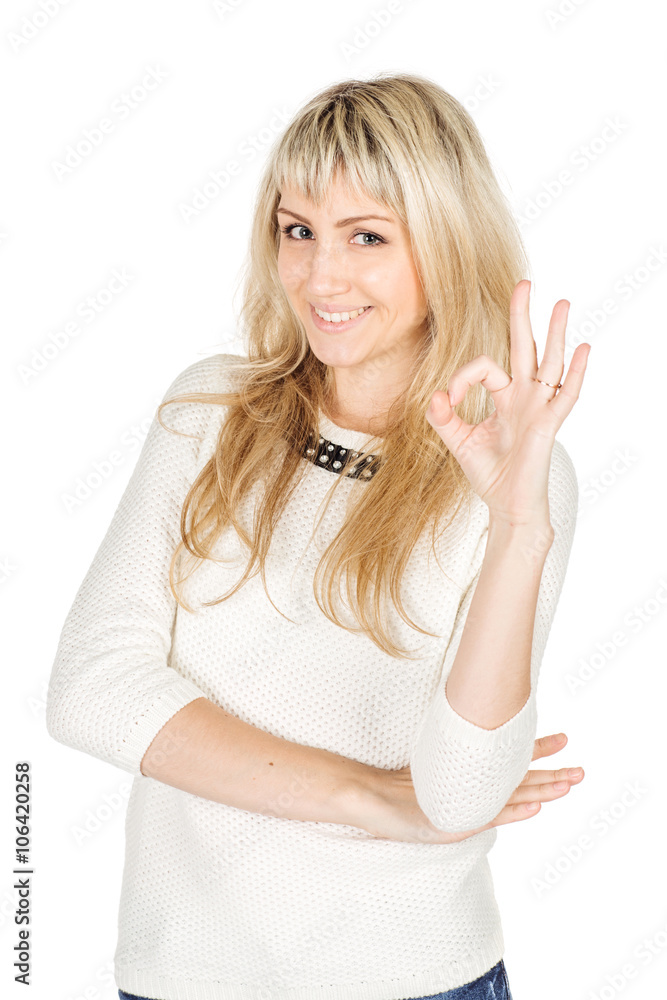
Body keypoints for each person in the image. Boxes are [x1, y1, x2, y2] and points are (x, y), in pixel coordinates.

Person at [46, 71, 590, 1000]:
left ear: (447, 244)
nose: (318, 277)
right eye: (297, 230)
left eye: (366, 237)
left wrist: (516, 527)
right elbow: (90, 692)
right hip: (181, 978)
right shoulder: (211, 411)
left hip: (415, 979)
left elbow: (459, 797)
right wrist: (367, 795)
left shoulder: (518, 476)